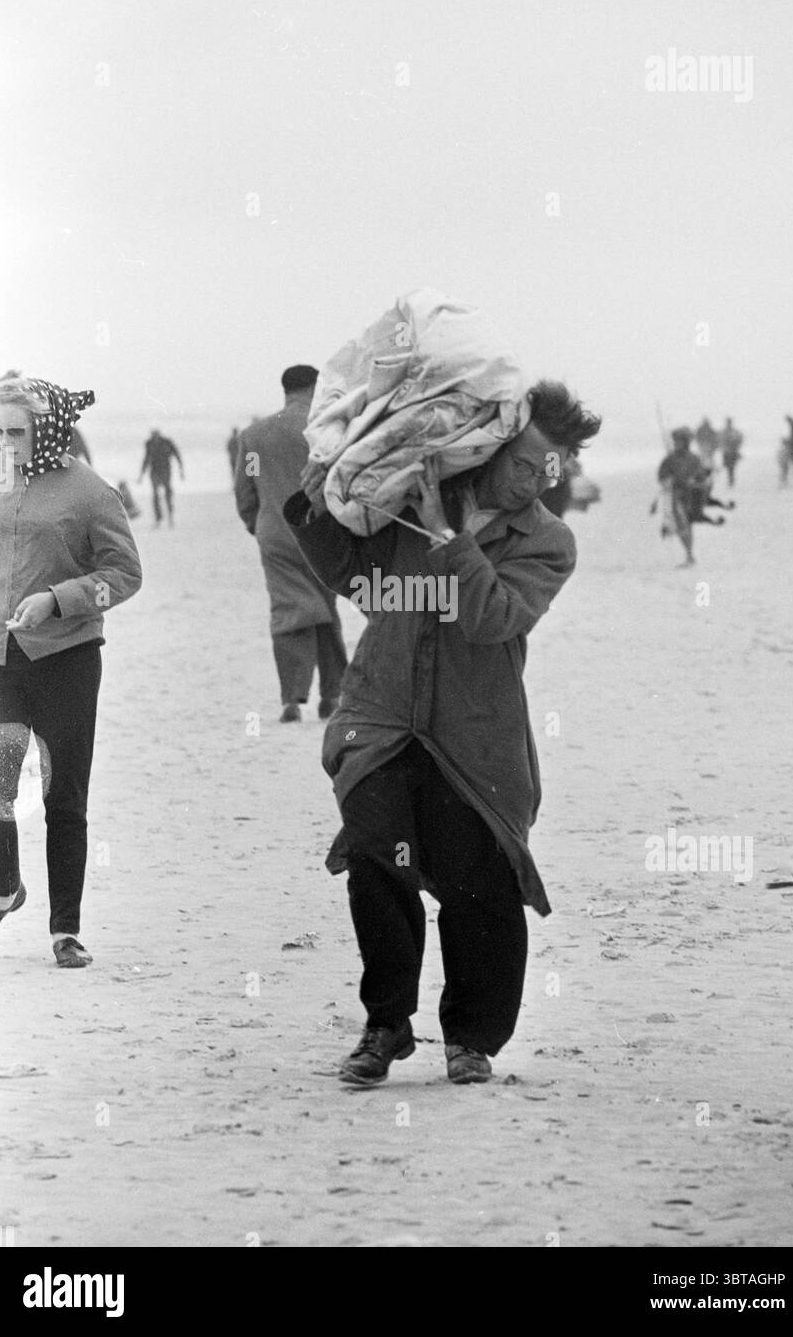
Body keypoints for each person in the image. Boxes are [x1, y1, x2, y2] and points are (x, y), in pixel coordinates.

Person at [284, 380, 601, 1086]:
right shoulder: (409, 499)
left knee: (478, 885)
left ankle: (471, 1039)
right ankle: (386, 1026)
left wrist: (454, 540)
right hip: (383, 716)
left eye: (549, 470)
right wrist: (313, 508)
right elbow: (358, 579)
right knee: (376, 860)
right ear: (494, 444)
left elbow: (491, 618)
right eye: (524, 462)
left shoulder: (548, 542)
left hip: (473, 735)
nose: (532, 480)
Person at [0, 375, 142, 966]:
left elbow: (125, 573)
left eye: (16, 432)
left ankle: (64, 930)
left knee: (62, 796)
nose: (4, 442)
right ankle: (3, 891)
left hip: (66, 661)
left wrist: (58, 599)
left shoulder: (90, 490)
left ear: (46, 428)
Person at [234, 365, 347, 723]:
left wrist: (259, 525)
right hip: (321, 532)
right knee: (325, 610)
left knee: (288, 611)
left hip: (275, 534)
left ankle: (292, 700)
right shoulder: (324, 430)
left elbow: (246, 489)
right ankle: (332, 694)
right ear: (314, 387)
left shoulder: (254, 437)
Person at [656, 427, 709, 566]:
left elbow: (702, 477)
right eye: (675, 441)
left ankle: (689, 555)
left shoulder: (694, 459)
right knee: (681, 526)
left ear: (685, 442)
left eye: (678, 441)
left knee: (687, 526)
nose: (676, 443)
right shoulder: (670, 458)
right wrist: (668, 480)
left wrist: (694, 481)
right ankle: (689, 555)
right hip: (676, 496)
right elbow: (661, 475)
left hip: (692, 497)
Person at [138, 428, 184, 526]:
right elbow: (146, 459)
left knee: (168, 495)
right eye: (153, 434)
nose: (154, 436)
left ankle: (170, 517)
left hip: (165, 472)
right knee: (156, 496)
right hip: (155, 472)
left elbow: (177, 455)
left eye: (155, 434)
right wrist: (141, 475)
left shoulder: (167, 442)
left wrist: (181, 470)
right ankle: (158, 518)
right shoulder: (149, 444)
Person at [720, 417, 743, 488]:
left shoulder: (732, 432)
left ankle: (731, 481)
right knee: (730, 468)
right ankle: (731, 480)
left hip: (731, 452)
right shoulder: (728, 432)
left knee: (731, 468)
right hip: (728, 452)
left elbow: (739, 440)